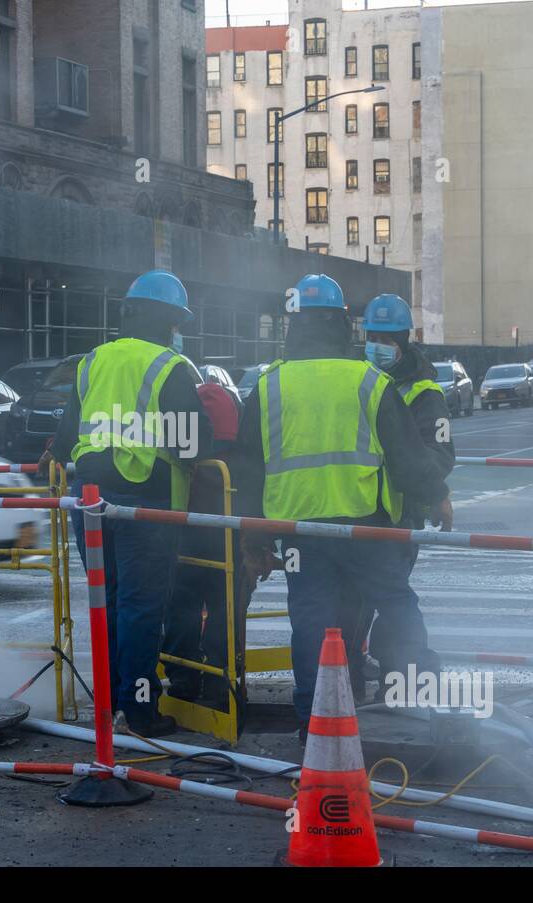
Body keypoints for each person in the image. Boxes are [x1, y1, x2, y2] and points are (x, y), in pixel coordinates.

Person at [233, 275, 451, 739]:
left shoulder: (270, 384)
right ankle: (425, 698)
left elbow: (247, 471)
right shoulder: (368, 381)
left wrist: (253, 538)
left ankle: (315, 721)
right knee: (396, 605)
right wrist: (437, 496)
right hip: (365, 528)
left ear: (294, 325)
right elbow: (409, 459)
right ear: (342, 325)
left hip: (299, 533)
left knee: (311, 622)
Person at [41, 270, 212, 737]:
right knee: (141, 606)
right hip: (145, 499)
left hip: (89, 498)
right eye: (176, 321)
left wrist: (57, 456)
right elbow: (192, 442)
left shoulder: (92, 360)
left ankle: (113, 701)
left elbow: (68, 432)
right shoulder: (169, 366)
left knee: (109, 602)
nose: (177, 331)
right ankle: (139, 712)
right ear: (167, 319)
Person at [356, 293, 456, 699]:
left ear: (404, 340)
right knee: (365, 598)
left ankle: (406, 676)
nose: (378, 346)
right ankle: (368, 666)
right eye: (372, 336)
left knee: (391, 599)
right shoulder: (357, 377)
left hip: (397, 515)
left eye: (387, 339)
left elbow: (439, 454)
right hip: (357, 508)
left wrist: (430, 490)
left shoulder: (424, 393)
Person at [161, 379, 244, 713]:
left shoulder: (185, 451)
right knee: (226, 609)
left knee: (180, 607)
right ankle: (220, 682)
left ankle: (183, 682)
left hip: (183, 533)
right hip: (226, 536)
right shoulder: (233, 457)